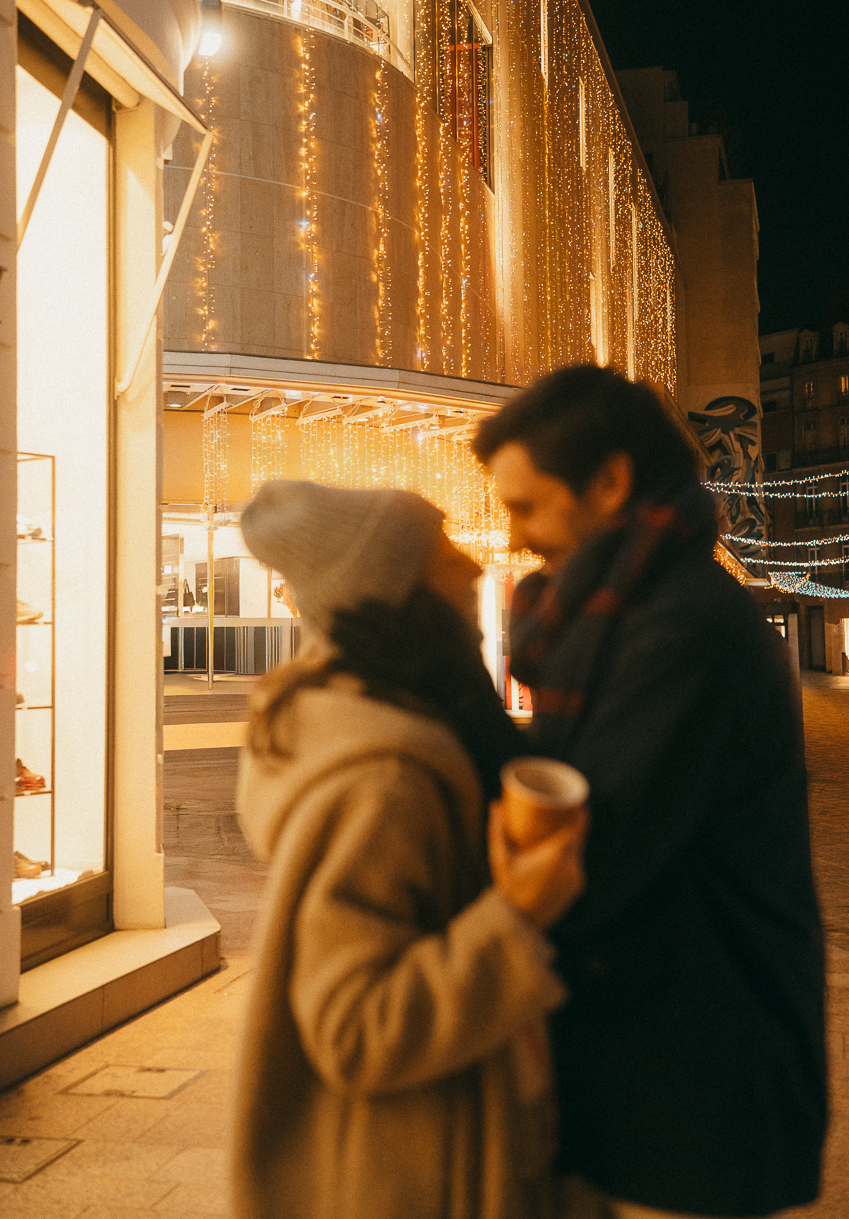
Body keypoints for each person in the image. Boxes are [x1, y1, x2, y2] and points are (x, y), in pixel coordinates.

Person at [473, 365, 827, 1219]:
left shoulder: (683, 625)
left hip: (697, 1088)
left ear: (611, 481)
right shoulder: (621, 614)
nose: (516, 539)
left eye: (526, 506)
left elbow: (591, 851)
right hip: (654, 1063)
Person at [231, 479, 588, 1219]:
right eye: (445, 554)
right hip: (419, 1176)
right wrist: (517, 916)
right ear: (395, 591)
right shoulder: (388, 777)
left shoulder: (366, 718)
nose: (475, 568)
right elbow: (357, 1028)